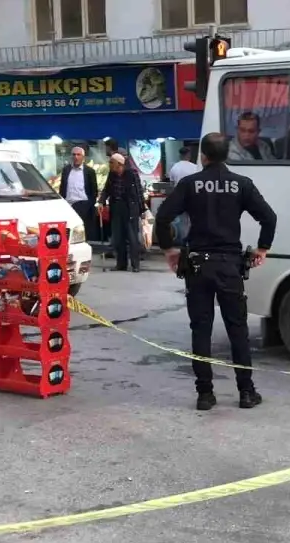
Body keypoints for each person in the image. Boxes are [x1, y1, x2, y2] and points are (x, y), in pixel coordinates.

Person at [154, 132, 277, 411]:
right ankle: (246, 392)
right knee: (237, 330)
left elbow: (163, 217)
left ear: (203, 156)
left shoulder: (190, 184)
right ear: (227, 155)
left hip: (198, 265)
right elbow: (269, 218)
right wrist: (262, 249)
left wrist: (170, 250)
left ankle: (205, 395)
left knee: (201, 330)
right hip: (230, 266)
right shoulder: (241, 184)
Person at [98, 153, 147, 272]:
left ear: (119, 164)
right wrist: (101, 201)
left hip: (130, 207)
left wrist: (142, 209)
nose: (109, 165)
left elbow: (138, 191)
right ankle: (121, 264)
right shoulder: (112, 174)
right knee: (118, 237)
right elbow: (107, 189)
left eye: (111, 162)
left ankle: (135, 264)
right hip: (116, 207)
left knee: (132, 237)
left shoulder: (132, 173)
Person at [60, 146, 99, 242]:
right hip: (69, 205)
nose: (76, 157)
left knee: (82, 232)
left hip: (83, 205)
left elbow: (94, 190)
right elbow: (62, 187)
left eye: (78, 155)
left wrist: (90, 204)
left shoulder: (90, 171)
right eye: (74, 155)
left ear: (83, 157)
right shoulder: (66, 170)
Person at [166, 145, 200, 245]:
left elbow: (172, 186)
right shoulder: (195, 167)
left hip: (179, 199)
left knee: (182, 222)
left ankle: (185, 243)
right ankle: (194, 241)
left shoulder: (174, 168)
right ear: (188, 154)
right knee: (194, 221)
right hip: (193, 198)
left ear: (180, 155)